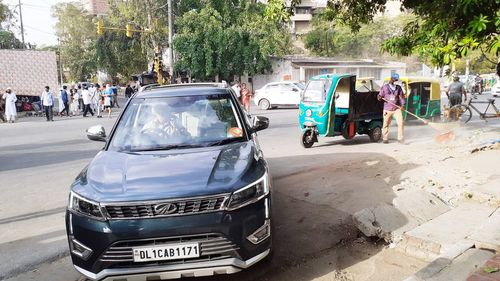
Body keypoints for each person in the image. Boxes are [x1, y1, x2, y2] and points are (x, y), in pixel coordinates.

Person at [377, 73, 406, 144]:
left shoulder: (398, 88)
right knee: (385, 124)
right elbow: (379, 96)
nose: (394, 80)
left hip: (396, 109)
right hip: (387, 109)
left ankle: (400, 139)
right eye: (393, 79)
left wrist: (402, 105)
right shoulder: (384, 87)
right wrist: (379, 97)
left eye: (396, 80)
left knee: (401, 123)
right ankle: (385, 138)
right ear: (391, 78)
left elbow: (402, 97)